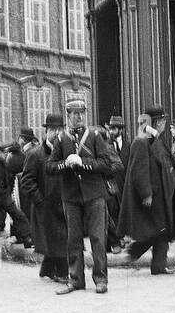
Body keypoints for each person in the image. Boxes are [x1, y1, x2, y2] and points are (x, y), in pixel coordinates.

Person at [48, 99, 121, 295]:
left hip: (95, 194)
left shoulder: (95, 136)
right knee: (73, 239)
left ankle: (100, 279)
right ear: (68, 115)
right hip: (71, 196)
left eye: (82, 112)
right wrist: (66, 163)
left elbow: (106, 163)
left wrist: (83, 162)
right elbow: (50, 167)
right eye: (74, 113)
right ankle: (76, 280)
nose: (79, 116)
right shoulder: (61, 139)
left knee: (98, 238)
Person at [118, 106, 175, 276]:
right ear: (154, 122)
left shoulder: (155, 139)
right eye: (161, 121)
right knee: (159, 229)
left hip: (162, 193)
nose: (163, 124)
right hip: (153, 194)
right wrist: (146, 193)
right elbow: (139, 171)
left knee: (163, 229)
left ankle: (159, 265)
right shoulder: (141, 141)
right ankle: (136, 252)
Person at [19, 114, 69, 283]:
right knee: (55, 240)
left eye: (60, 130)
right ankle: (61, 273)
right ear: (46, 131)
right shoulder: (36, 154)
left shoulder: (65, 152)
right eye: (53, 130)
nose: (56, 133)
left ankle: (47, 270)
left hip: (62, 205)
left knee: (60, 239)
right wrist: (40, 201)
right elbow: (26, 182)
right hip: (45, 207)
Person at [103, 115, 130, 254]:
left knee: (122, 211)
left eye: (114, 128)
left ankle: (122, 237)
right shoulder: (105, 145)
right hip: (111, 185)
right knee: (111, 211)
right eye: (110, 128)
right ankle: (114, 241)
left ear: (120, 130)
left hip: (124, 184)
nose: (111, 131)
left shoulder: (128, 145)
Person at [8, 128, 37, 248]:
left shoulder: (28, 152)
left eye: (20, 138)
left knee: (24, 210)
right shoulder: (29, 150)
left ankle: (27, 236)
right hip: (27, 185)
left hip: (25, 186)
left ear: (23, 139)